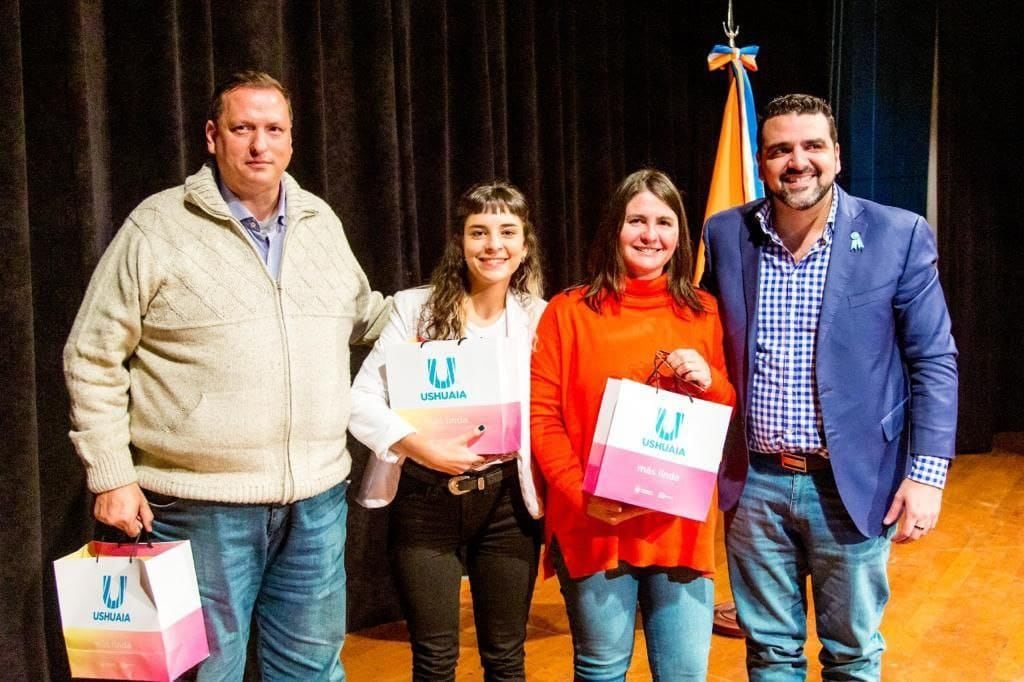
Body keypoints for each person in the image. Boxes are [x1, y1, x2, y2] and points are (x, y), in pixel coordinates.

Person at [62, 70, 389, 680]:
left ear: (292, 142)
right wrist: (110, 475)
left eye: (273, 130)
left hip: (316, 502)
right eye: (242, 129)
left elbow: (367, 318)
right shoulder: (157, 226)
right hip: (199, 507)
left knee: (312, 671)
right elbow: (93, 354)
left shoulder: (321, 221)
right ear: (213, 137)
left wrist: (450, 307)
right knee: (204, 673)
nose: (259, 144)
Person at [702, 93, 958, 680]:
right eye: (781, 150)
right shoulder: (725, 235)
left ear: (836, 156)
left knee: (851, 655)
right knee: (768, 653)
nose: (798, 161)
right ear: (763, 162)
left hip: (853, 484)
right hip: (755, 486)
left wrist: (927, 474)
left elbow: (934, 360)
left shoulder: (899, 234)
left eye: (813, 146)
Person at [531, 169, 736, 681]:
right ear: (613, 229)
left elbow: (728, 408)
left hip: (679, 526)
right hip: (594, 523)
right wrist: (582, 495)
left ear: (680, 236)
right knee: (601, 670)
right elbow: (543, 418)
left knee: (684, 674)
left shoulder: (705, 313)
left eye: (664, 222)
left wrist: (709, 381)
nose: (650, 234)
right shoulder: (567, 312)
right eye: (636, 220)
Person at [348, 181, 546, 681]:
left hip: (508, 505)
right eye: (478, 232)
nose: (492, 245)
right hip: (424, 500)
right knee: (434, 661)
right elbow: (359, 399)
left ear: (524, 246)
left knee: (506, 657)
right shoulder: (412, 309)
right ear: (460, 243)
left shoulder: (540, 320)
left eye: (506, 232)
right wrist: (420, 446)